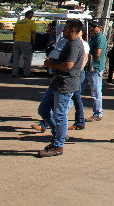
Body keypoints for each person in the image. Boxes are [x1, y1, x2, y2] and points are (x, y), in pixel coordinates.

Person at [33, 19, 87, 157]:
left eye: (65, 28)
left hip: (65, 85)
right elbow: (64, 63)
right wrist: (53, 64)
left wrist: (52, 65)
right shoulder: (70, 44)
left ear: (72, 30)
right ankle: (60, 134)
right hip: (58, 82)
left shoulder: (75, 45)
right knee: (43, 110)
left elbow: (68, 65)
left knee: (60, 115)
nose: (63, 30)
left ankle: (58, 145)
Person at [84, 21, 107, 122]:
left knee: (96, 92)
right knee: (77, 89)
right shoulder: (93, 37)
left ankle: (98, 113)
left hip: (95, 69)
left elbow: (97, 54)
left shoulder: (100, 38)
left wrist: (90, 59)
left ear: (100, 27)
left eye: (94, 26)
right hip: (89, 68)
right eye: (91, 26)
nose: (92, 28)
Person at [11, 9, 36, 77]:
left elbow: (14, 32)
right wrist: (33, 41)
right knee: (27, 58)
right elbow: (33, 32)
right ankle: (27, 72)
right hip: (25, 41)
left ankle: (14, 72)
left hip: (17, 41)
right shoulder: (31, 22)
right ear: (30, 15)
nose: (32, 17)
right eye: (32, 15)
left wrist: (14, 40)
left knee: (16, 58)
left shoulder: (18, 22)